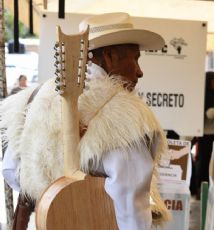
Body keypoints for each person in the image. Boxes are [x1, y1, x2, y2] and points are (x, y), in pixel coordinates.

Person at [1, 13, 170, 230]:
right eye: (135, 58)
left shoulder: (35, 96)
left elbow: (11, 170)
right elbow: (130, 200)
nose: (140, 71)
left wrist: (52, 198)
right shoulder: (124, 115)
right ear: (109, 56)